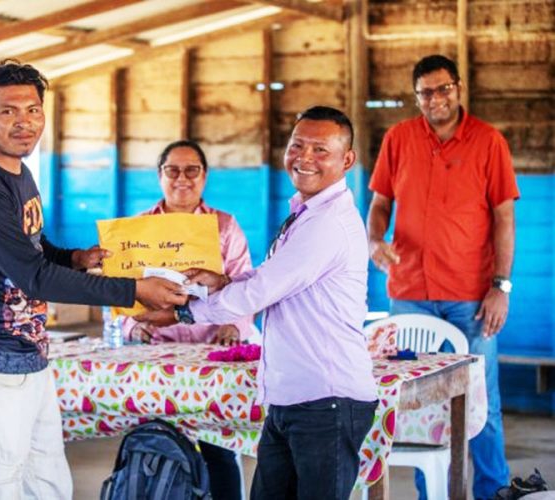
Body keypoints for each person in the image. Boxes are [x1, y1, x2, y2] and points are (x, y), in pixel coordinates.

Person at [0, 60, 186, 500]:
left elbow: (32, 246)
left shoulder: (17, 171)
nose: (25, 123)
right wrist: (133, 290)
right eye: (9, 112)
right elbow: (34, 277)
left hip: (28, 355)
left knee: (46, 478)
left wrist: (74, 257)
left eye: (33, 110)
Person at [139, 106, 378, 500]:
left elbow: (260, 292)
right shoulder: (305, 212)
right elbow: (270, 277)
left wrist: (182, 312)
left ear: (347, 160)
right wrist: (226, 279)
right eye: (297, 145)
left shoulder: (327, 223)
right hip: (292, 396)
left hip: (326, 399)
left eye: (321, 150)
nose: (304, 157)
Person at [367, 54, 518, 500]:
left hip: (472, 297)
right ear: (417, 97)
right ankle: (432, 493)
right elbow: (379, 205)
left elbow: (504, 219)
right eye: (426, 92)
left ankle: (494, 492)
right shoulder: (398, 139)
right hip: (410, 294)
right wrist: (374, 241)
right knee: (419, 404)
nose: (436, 98)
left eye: (443, 88)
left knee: (480, 404)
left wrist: (500, 287)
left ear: (458, 87)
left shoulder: (489, 142)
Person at [122, 139, 254, 500]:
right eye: (173, 170)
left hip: (213, 355)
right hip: (157, 359)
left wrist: (235, 325)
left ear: (205, 176)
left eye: (191, 170)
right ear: (159, 176)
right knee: (157, 442)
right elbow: (121, 291)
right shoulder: (135, 229)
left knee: (218, 448)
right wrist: (134, 326)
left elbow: (245, 284)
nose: (182, 178)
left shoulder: (225, 226)